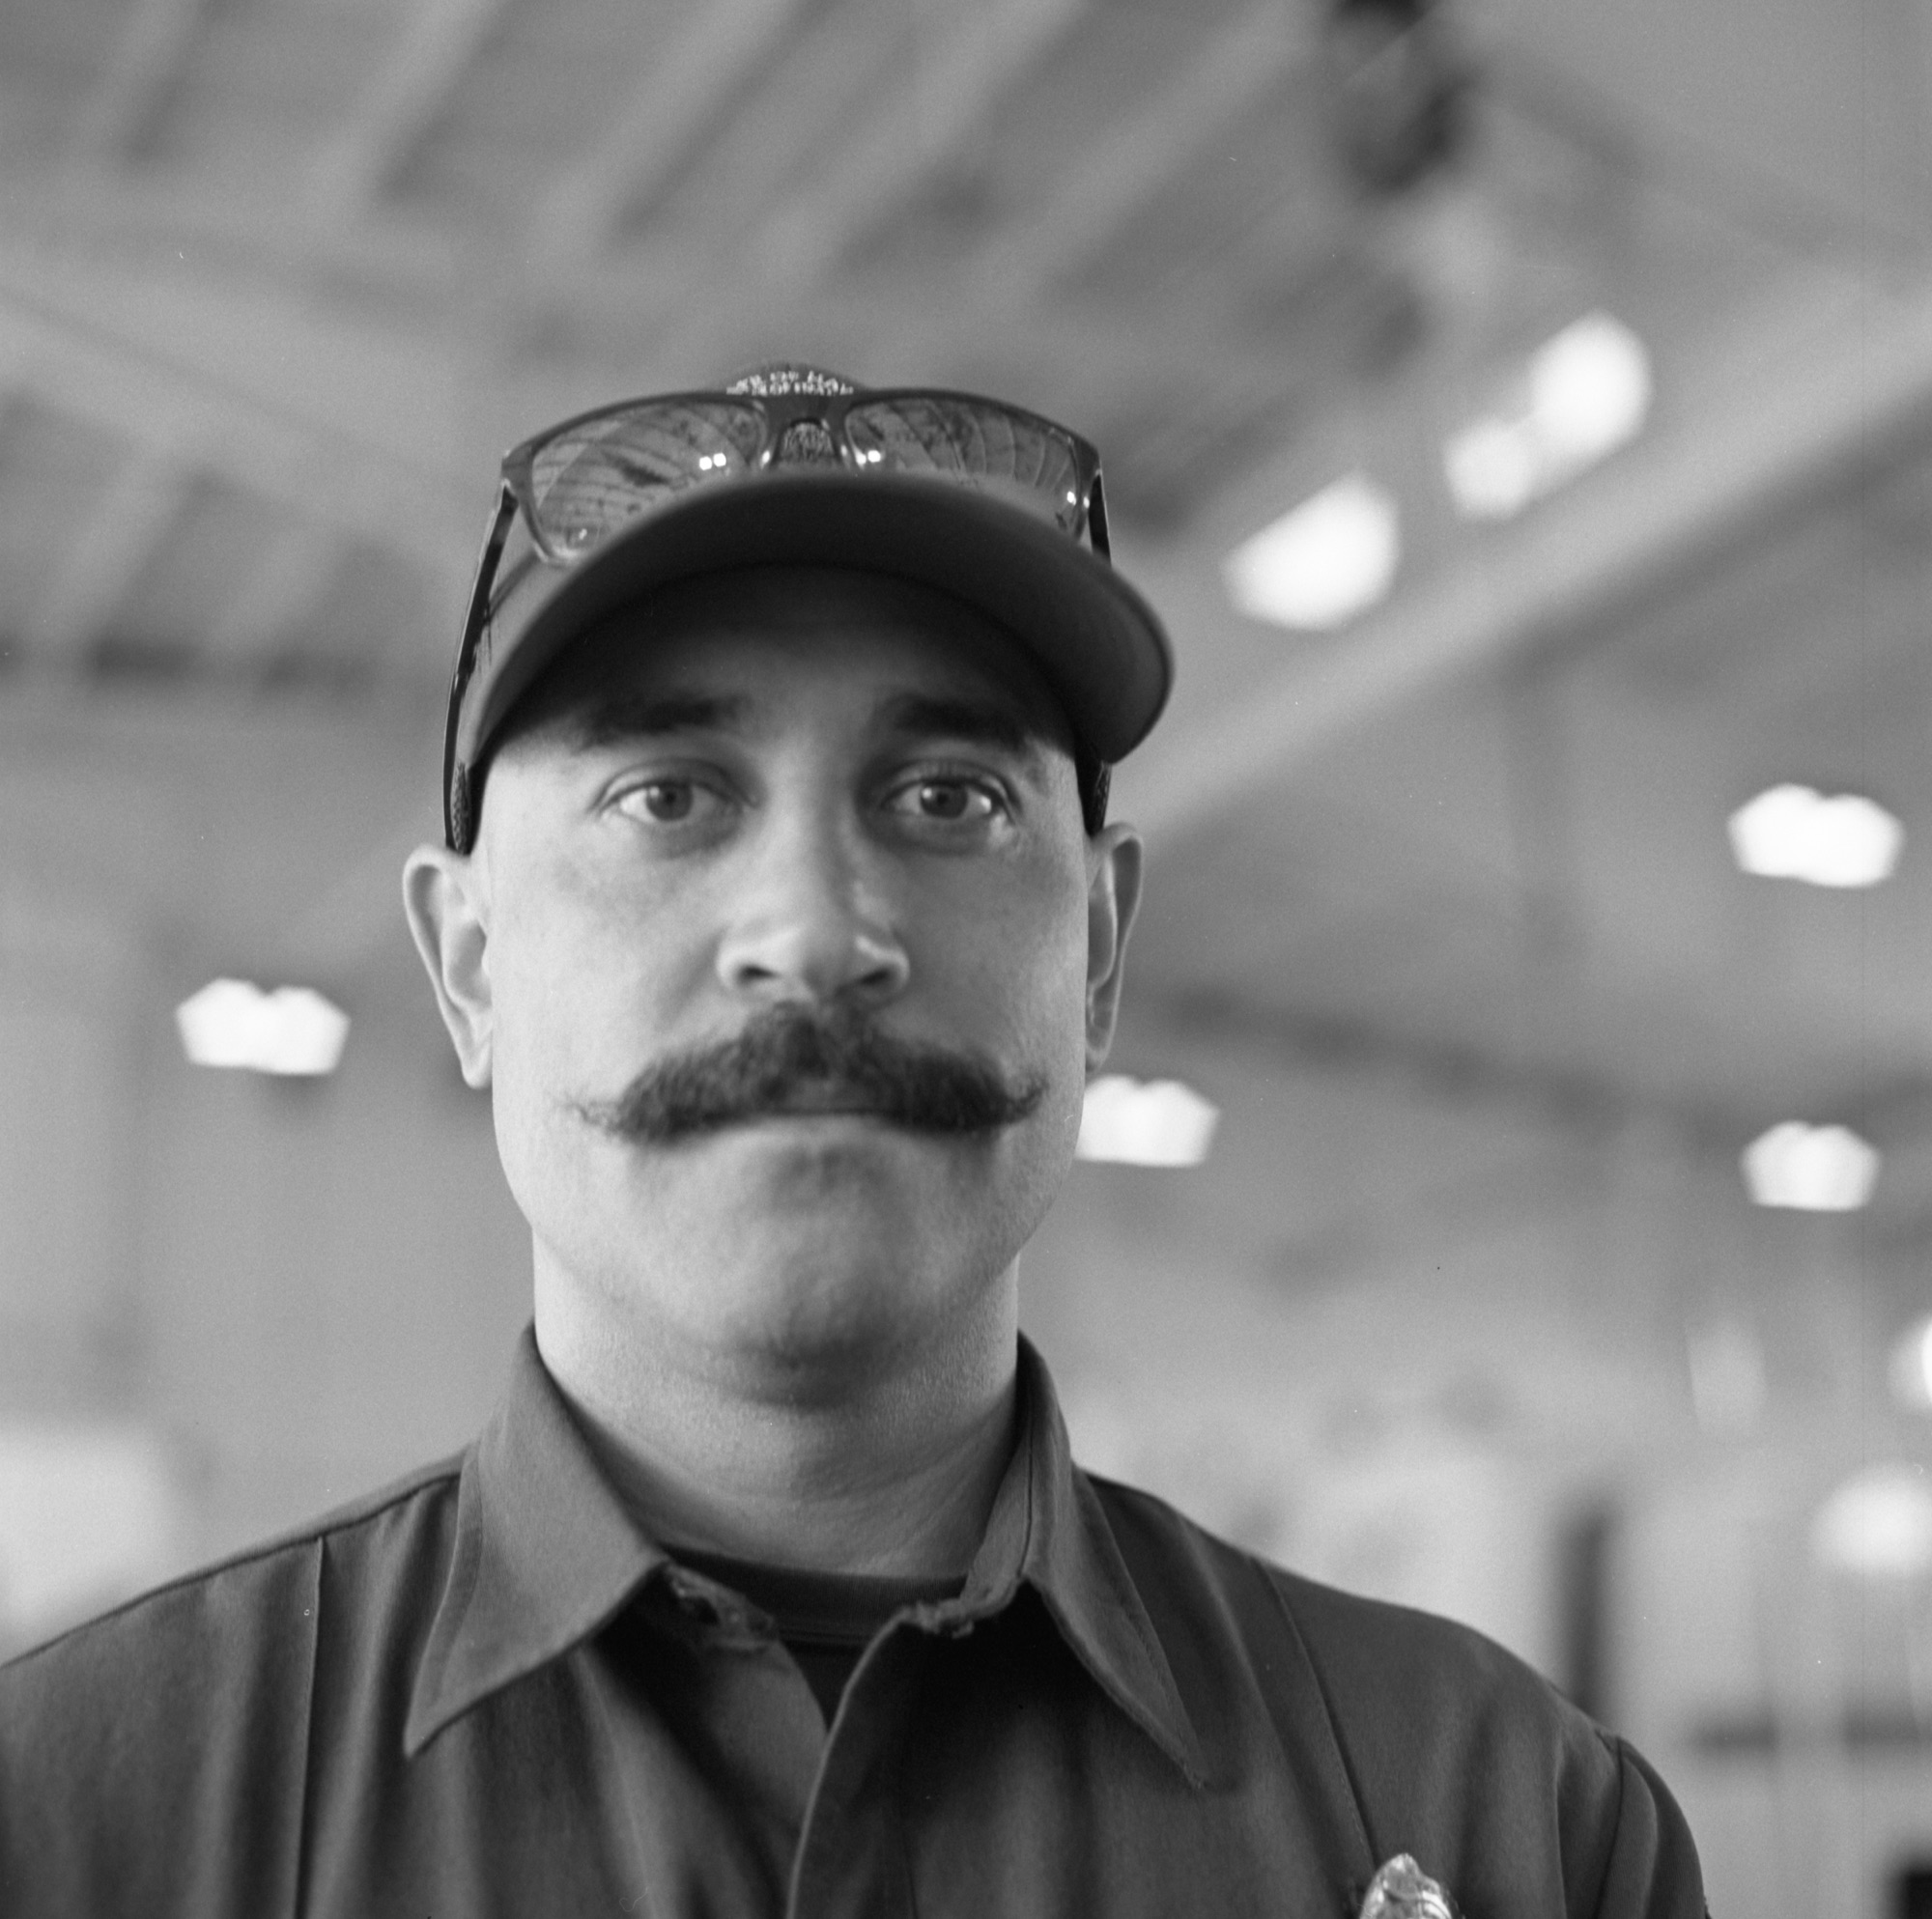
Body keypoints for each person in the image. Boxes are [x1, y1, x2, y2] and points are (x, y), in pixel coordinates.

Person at [0, 365, 1706, 1917]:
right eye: (669, 795)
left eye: (948, 798)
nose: (816, 933)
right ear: (471, 967)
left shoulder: (1512, 1828)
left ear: (1096, 955)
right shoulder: (80, 1823)